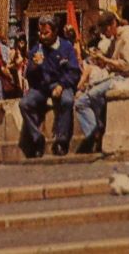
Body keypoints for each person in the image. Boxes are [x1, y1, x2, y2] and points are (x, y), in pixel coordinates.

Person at [75, 10, 129, 153]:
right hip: (113, 76)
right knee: (86, 97)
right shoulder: (114, 39)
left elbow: (128, 65)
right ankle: (97, 130)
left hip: (125, 78)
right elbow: (108, 60)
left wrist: (106, 60)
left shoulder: (126, 36)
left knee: (84, 101)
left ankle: (93, 133)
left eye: (105, 29)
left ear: (113, 24)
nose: (103, 33)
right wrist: (97, 58)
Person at [20, 15, 80, 158]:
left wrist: (61, 85)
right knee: (25, 104)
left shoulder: (66, 48)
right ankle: (37, 138)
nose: (42, 36)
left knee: (67, 101)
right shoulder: (37, 49)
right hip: (42, 87)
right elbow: (29, 75)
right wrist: (34, 66)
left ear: (55, 31)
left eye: (46, 33)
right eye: (40, 33)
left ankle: (61, 140)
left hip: (61, 84)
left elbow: (74, 72)